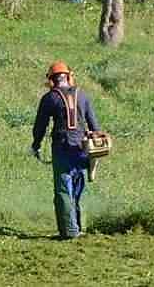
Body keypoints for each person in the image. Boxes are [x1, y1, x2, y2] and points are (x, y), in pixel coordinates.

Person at [31, 61, 101, 239]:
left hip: (62, 149)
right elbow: (94, 126)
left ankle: (69, 231)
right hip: (81, 149)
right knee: (77, 189)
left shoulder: (50, 98)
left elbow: (40, 126)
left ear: (52, 80)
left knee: (63, 190)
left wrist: (36, 145)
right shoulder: (83, 96)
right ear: (69, 77)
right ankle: (79, 226)